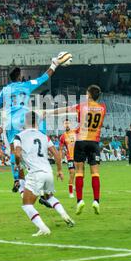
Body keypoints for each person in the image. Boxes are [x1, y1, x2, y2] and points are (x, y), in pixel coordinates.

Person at [0, 53, 69, 197]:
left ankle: (17, 180)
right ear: (20, 76)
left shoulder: (5, 90)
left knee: (15, 151)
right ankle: (42, 169)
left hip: (10, 122)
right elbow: (44, 78)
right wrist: (55, 64)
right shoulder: (26, 85)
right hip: (24, 119)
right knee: (41, 124)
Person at [45, 85, 106, 215]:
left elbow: (65, 110)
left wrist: (49, 112)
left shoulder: (82, 106)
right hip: (94, 142)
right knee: (95, 172)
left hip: (81, 141)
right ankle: (96, 201)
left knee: (79, 171)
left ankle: (80, 201)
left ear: (89, 95)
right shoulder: (102, 108)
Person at [15, 112, 75, 236]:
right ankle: (65, 215)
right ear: (36, 122)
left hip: (35, 174)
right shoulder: (44, 136)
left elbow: (17, 154)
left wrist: (18, 165)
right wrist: (59, 170)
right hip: (48, 172)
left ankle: (43, 228)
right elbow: (57, 154)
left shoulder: (19, 136)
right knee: (49, 197)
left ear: (25, 123)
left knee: (27, 204)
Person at [59, 119, 77, 198]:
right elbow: (60, 149)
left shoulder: (75, 132)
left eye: (68, 123)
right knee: (72, 173)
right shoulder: (63, 136)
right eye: (65, 123)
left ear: (71, 124)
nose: (67, 125)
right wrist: (60, 159)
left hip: (78, 156)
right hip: (70, 157)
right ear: (63, 125)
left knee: (80, 173)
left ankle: (74, 185)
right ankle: (70, 192)